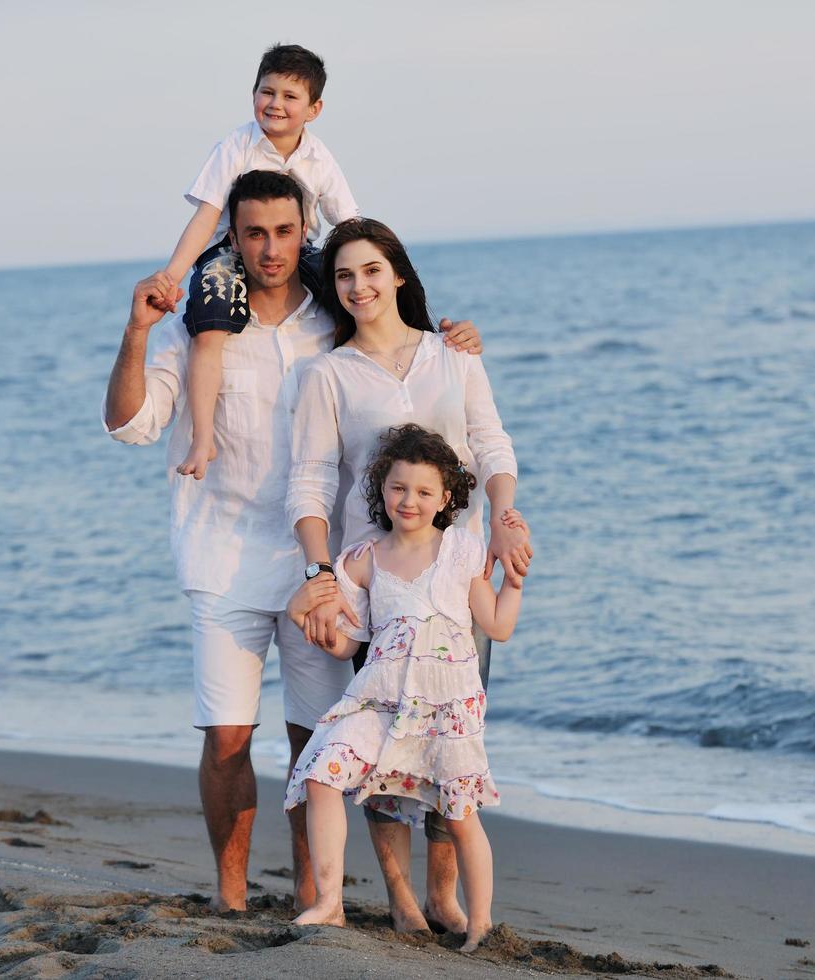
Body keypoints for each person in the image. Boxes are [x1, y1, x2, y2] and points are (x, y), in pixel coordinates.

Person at [104, 171, 480, 913]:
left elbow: (400, 359)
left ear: (302, 228)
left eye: (283, 232)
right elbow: (131, 424)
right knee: (226, 739)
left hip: (326, 571)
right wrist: (137, 330)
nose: (270, 248)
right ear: (234, 238)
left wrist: (452, 340)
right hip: (224, 558)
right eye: (253, 233)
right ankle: (232, 896)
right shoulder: (198, 331)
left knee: (320, 742)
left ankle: (315, 893)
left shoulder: (332, 322)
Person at [286, 217, 533, 934]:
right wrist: (323, 575)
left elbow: (491, 444)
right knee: (386, 735)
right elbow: (307, 484)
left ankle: (442, 894)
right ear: (334, 291)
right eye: (343, 276)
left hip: (457, 571)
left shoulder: (452, 355)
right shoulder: (327, 375)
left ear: (398, 273)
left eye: (370, 270)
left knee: (450, 731)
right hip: (377, 580)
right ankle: (399, 895)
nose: (358, 286)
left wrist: (507, 516)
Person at [285, 424, 528, 952]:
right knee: (323, 772)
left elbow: (498, 626)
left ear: (446, 498)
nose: (409, 501)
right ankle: (329, 901)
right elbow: (348, 646)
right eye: (398, 488)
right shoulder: (362, 559)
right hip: (381, 702)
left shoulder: (463, 550)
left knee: (461, 815)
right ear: (381, 489)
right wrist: (303, 615)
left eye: (423, 492)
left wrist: (513, 583)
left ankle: (481, 920)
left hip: (447, 710)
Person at [156, 42, 358, 481]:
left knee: (348, 299)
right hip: (229, 251)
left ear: (314, 108)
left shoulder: (319, 158)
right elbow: (207, 213)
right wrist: (172, 276)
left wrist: (378, 276)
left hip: (298, 252)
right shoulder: (235, 147)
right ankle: (204, 436)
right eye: (267, 92)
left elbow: (349, 222)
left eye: (290, 97)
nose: (276, 104)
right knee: (209, 326)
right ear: (253, 94)